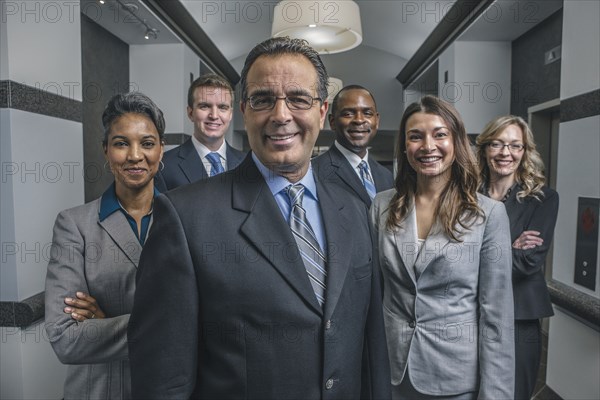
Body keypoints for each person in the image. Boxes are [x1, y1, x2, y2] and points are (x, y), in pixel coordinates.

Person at [128, 37, 391, 399]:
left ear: (321, 111)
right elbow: (163, 376)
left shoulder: (356, 209)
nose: (281, 115)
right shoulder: (185, 217)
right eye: (263, 99)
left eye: (298, 99)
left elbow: (372, 347)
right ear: (244, 110)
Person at [370, 95, 515, 399]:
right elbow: (372, 292)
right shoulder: (382, 205)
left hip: (455, 376)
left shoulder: (487, 214)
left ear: (456, 141)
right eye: (415, 136)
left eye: (439, 134)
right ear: (404, 145)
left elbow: (496, 317)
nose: (427, 146)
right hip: (392, 371)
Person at [44, 92, 165, 399]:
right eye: (122, 143)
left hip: (166, 385)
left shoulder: (187, 219)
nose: (135, 155)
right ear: (106, 151)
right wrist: (168, 321)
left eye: (147, 143)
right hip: (101, 388)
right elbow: (65, 337)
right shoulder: (74, 225)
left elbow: (207, 314)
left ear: (161, 150)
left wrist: (106, 321)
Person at [476, 115, 559, 400]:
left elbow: (528, 263)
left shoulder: (543, 199)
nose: (505, 153)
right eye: (497, 144)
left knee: (513, 393)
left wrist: (475, 252)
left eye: (515, 146)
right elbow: (451, 256)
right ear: (485, 148)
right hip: (469, 312)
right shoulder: (465, 196)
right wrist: (510, 247)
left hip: (519, 316)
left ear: (525, 152)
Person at [155, 73, 245, 191]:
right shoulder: (164, 166)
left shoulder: (247, 163)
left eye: (222, 107)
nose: (214, 116)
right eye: (204, 106)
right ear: (190, 113)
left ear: (230, 114)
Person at [313, 85, 393, 207]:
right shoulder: (314, 172)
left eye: (367, 113)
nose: (359, 120)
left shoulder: (386, 176)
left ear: (377, 121)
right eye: (348, 114)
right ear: (332, 122)